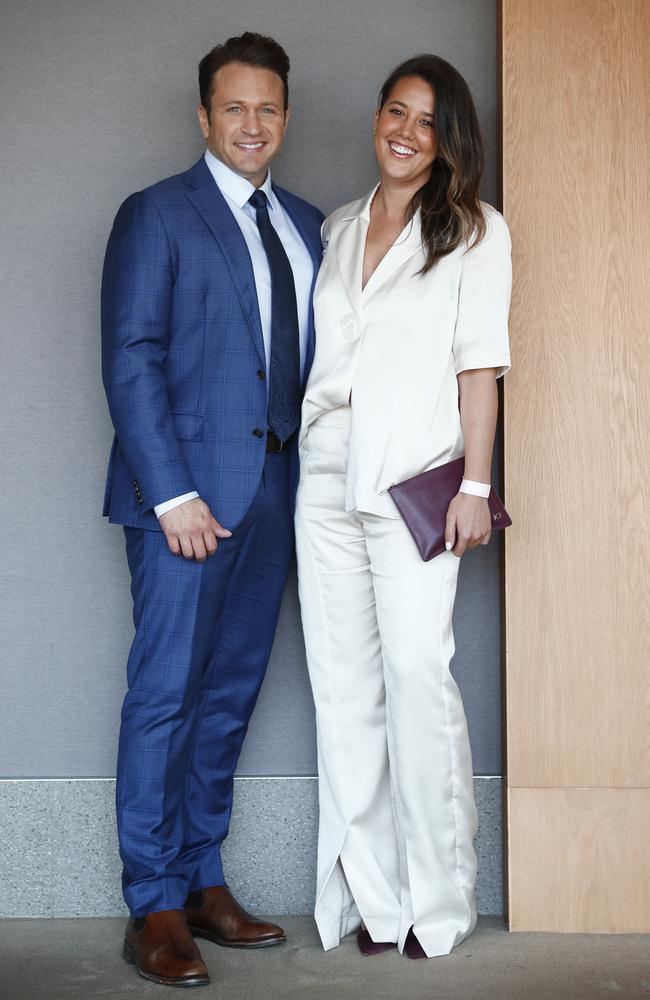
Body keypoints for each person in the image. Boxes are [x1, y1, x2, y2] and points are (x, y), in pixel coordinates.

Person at [101, 32, 323, 988]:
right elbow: (131, 356)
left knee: (229, 696)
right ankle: (151, 900)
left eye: (268, 107)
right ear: (204, 117)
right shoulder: (157, 214)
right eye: (233, 107)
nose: (252, 123)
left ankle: (201, 879)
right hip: (185, 501)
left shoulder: (310, 223)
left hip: (279, 495)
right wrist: (174, 493)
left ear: (285, 116)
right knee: (165, 697)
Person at [295, 54, 511, 960]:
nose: (405, 131)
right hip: (323, 479)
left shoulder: (475, 230)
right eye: (395, 111)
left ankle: (441, 900)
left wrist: (475, 484)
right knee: (343, 694)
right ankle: (376, 905)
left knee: (418, 680)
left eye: (426, 121)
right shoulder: (339, 225)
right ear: (376, 118)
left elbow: (480, 365)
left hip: (415, 478)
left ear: (447, 139)